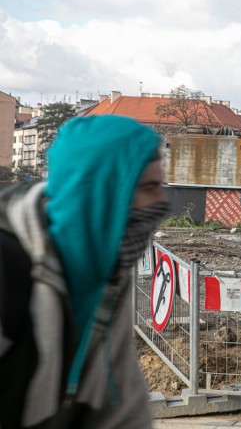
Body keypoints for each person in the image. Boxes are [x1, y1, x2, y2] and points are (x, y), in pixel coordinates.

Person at [0, 115, 170, 428]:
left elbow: (121, 406)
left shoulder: (106, 278)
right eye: (149, 187)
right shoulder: (6, 269)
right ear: (102, 191)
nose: (161, 203)